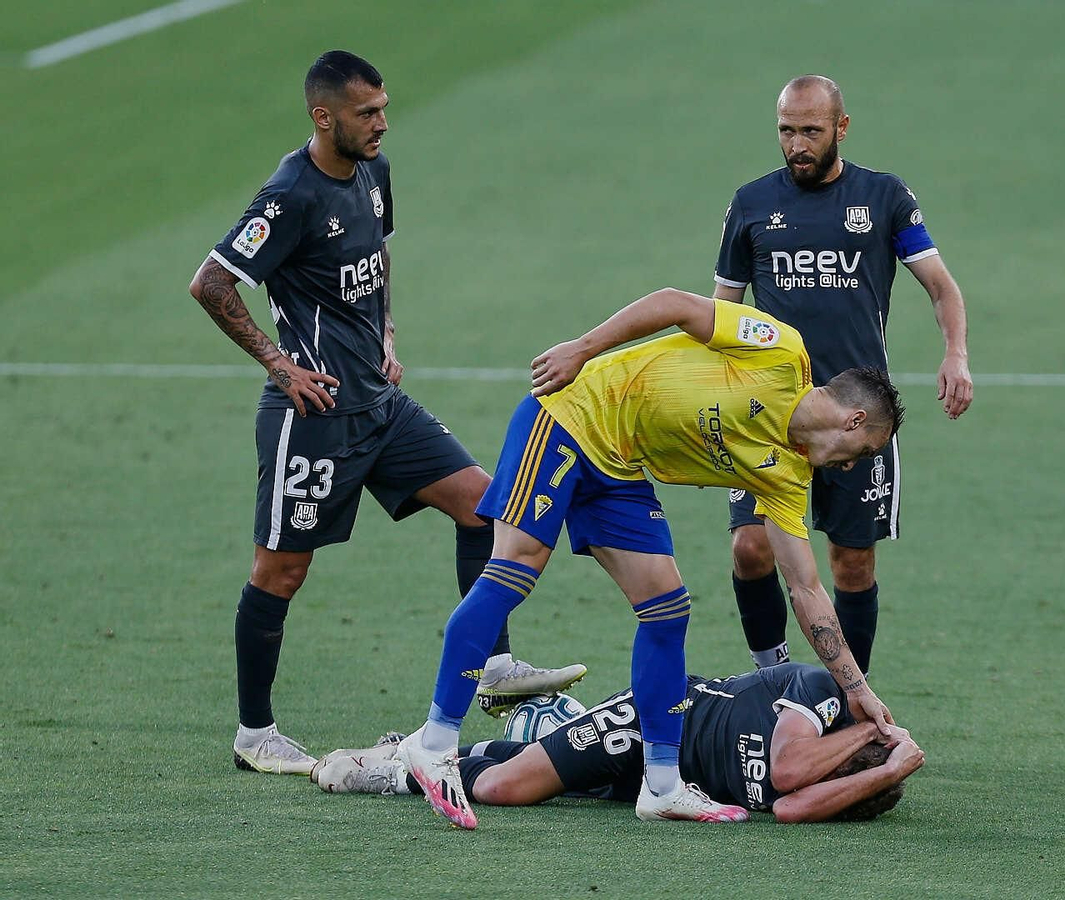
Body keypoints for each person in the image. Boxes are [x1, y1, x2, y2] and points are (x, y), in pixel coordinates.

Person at [187, 50, 580, 775]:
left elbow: (379, 255)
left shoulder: (375, 172)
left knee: (489, 507)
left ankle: (492, 666)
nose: (381, 123)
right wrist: (278, 362)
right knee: (280, 573)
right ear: (323, 116)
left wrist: (386, 334)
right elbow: (210, 283)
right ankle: (254, 734)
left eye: (384, 108)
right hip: (314, 417)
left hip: (382, 405)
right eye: (366, 113)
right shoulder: (290, 195)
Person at [394, 287, 903, 830]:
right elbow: (676, 305)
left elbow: (806, 588)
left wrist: (857, 689)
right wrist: (582, 349)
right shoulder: (780, 352)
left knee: (667, 607)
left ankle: (661, 785)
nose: (853, 468)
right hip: (572, 412)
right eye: (868, 450)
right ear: (853, 421)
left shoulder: (786, 474)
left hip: (619, 465)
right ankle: (435, 742)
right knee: (515, 568)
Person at [712, 75, 974, 676]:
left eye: (811, 130)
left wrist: (955, 353)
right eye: (786, 131)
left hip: (859, 418)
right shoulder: (750, 203)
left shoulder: (884, 197)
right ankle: (771, 677)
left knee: (851, 563)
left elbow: (941, 285)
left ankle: (851, 704)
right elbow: (720, 311)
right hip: (769, 411)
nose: (797, 144)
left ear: (841, 127)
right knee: (750, 547)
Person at [314, 662, 925, 824]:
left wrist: (885, 774)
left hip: (663, 782)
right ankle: (403, 773)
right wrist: (879, 729)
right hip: (651, 723)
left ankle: (408, 753)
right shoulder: (821, 694)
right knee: (506, 790)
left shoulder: (832, 784)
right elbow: (789, 774)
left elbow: (790, 806)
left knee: (526, 773)